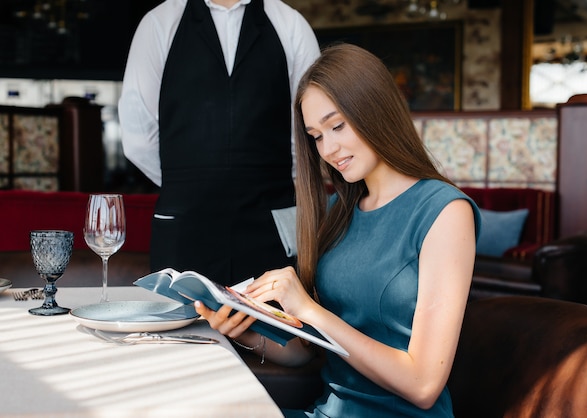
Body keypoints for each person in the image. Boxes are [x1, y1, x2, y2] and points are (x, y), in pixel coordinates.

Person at [195, 43, 481, 417]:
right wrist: (244, 330)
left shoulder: (445, 211)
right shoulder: (338, 210)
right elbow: (309, 351)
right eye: (316, 136)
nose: (328, 149)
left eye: (337, 126)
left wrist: (308, 309)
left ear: (375, 109)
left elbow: (424, 386)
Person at [118, 0, 320, 286]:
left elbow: (308, 130)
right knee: (181, 327)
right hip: (184, 227)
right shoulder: (159, 23)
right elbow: (137, 135)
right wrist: (188, 179)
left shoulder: (291, 25)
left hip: (271, 227)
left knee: (274, 326)